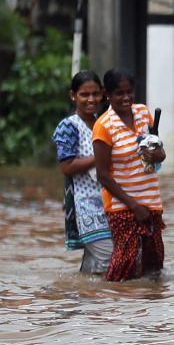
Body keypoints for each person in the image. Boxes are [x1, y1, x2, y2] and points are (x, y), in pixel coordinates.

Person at [92, 69, 166, 282]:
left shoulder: (143, 113)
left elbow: (160, 153)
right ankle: (111, 299)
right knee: (123, 265)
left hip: (151, 201)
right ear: (107, 94)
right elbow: (103, 175)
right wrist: (134, 206)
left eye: (129, 92)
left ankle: (149, 302)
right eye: (119, 93)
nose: (126, 97)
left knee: (154, 266)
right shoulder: (104, 126)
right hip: (121, 206)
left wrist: (157, 155)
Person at [54, 70, 112, 274]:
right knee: (107, 259)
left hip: (110, 201)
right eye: (84, 95)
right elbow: (67, 166)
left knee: (96, 263)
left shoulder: (104, 122)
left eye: (95, 94)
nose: (91, 99)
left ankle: (82, 291)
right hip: (85, 203)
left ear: (103, 94)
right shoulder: (68, 127)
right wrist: (100, 157)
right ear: (73, 96)